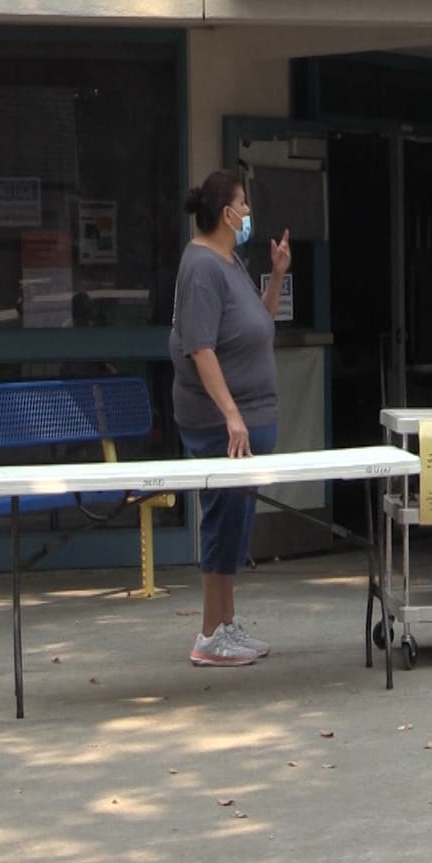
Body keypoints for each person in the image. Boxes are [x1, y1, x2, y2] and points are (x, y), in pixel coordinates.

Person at [169, 170, 291, 667]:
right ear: (227, 214)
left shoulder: (230, 260)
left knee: (237, 520)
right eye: (243, 205)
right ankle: (208, 635)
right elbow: (200, 348)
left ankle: (226, 624)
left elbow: (258, 323)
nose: (248, 215)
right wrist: (233, 416)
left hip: (246, 419)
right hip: (219, 424)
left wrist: (278, 274)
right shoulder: (200, 266)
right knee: (222, 519)